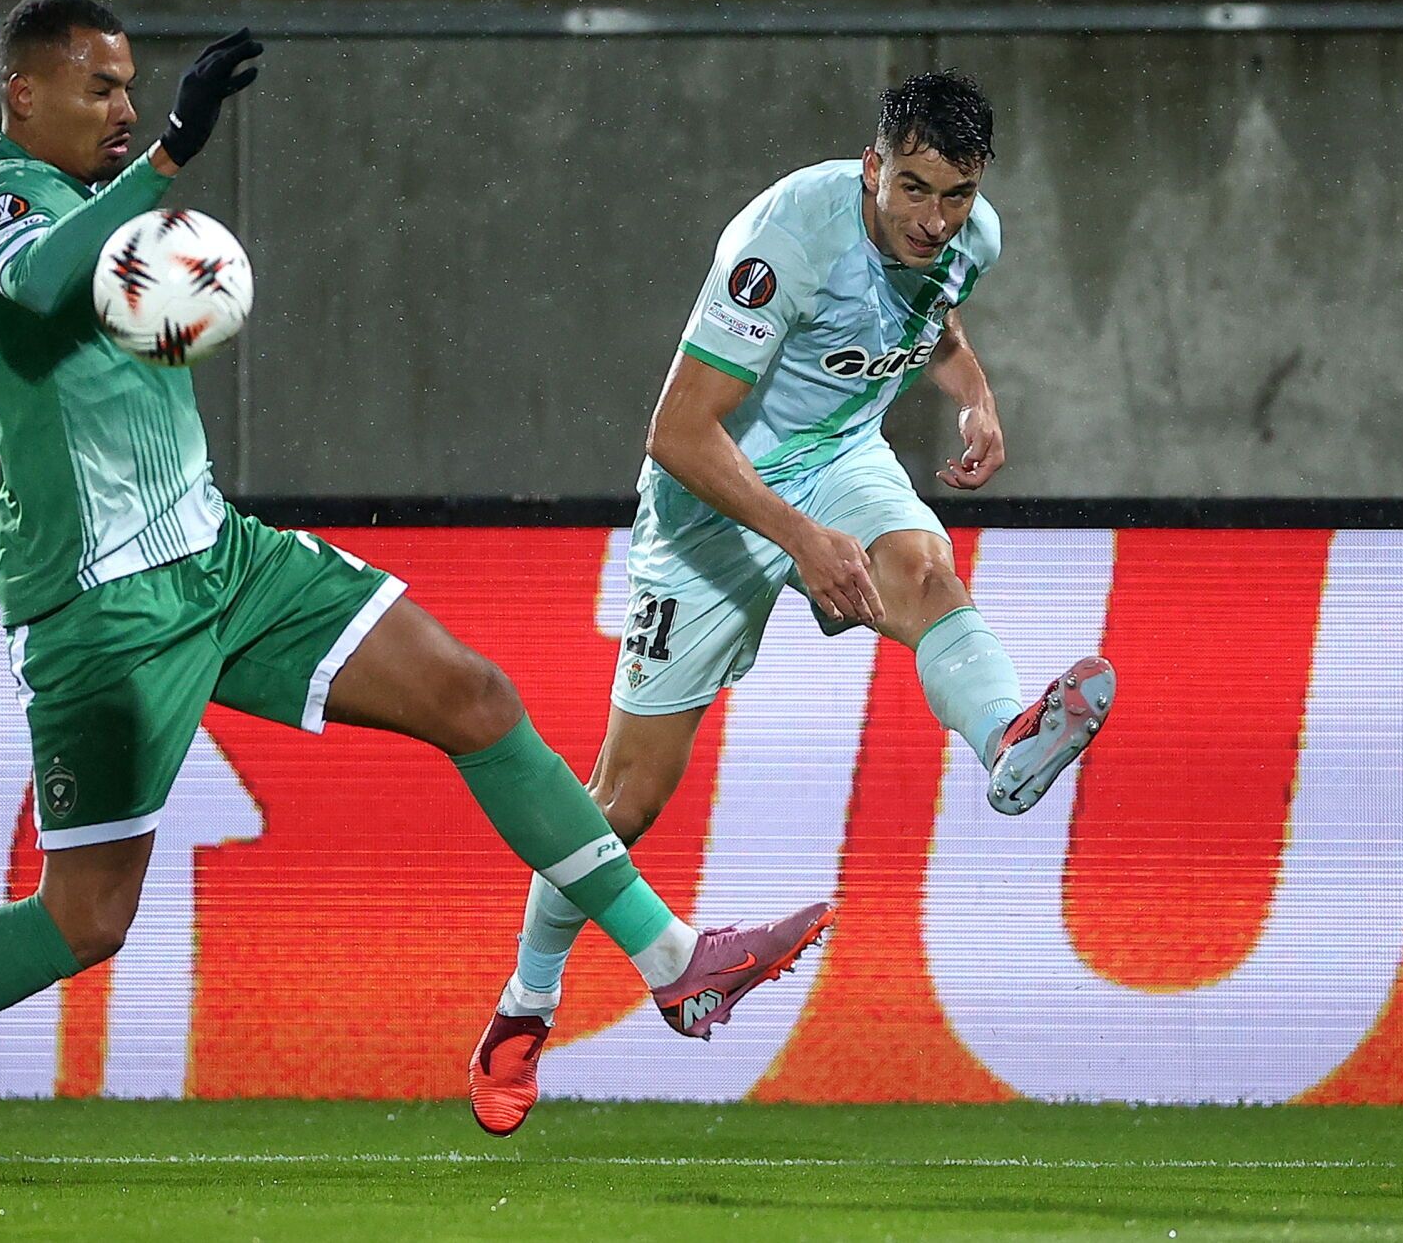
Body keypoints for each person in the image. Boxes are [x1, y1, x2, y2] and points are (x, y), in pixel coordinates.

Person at [0, 0, 834, 1200]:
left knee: (471, 694)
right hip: (102, 612)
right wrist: (168, 156)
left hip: (223, 561)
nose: (125, 105)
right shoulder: (2, 199)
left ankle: (674, 963)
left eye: (133, 86)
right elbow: (34, 282)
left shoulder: (64, 210)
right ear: (22, 93)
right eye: (99, 86)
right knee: (86, 917)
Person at [465, 71, 1118, 1137]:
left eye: (955, 195)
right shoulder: (784, 241)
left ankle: (1005, 737)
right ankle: (524, 1006)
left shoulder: (968, 238)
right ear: (871, 166)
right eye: (912, 189)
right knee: (621, 802)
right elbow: (679, 431)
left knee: (928, 574)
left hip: (838, 460)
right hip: (710, 502)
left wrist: (976, 397)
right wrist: (800, 539)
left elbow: (933, 322)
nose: (933, 218)